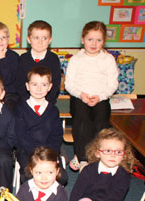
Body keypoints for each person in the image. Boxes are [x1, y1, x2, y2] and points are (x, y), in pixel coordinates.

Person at [65, 21, 119, 171]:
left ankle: (97, 156)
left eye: (99, 40)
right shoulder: (76, 59)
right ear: (83, 40)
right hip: (79, 97)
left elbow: (112, 84)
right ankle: (82, 159)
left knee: (101, 123)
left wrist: (101, 96)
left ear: (104, 41)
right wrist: (80, 94)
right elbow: (69, 84)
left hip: (100, 98)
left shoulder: (108, 59)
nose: (94, 43)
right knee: (82, 121)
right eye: (90, 39)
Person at [15, 66, 67, 185]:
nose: (39, 89)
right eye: (34, 84)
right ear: (27, 86)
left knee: (62, 177)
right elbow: (20, 136)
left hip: (49, 152)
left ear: (50, 87)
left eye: (43, 85)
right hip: (27, 151)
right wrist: (36, 154)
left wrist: (46, 154)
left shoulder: (53, 110)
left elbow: (57, 136)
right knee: (28, 176)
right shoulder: (20, 108)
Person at [15, 20, 61, 104]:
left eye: (44, 38)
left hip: (47, 103)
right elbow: (19, 84)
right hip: (25, 103)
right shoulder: (23, 59)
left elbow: (55, 85)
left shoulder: (53, 59)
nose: (40, 42)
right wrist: (29, 102)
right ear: (29, 39)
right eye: (36, 38)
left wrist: (46, 102)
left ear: (50, 40)